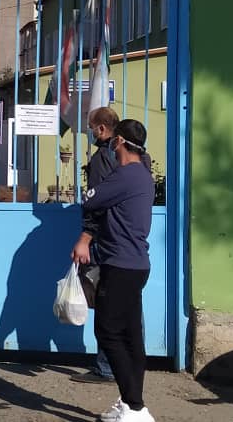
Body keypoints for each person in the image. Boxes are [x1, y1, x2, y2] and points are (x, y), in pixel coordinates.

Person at [78, 119, 156, 422]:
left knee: (107, 331)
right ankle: (131, 404)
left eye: (114, 139)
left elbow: (89, 199)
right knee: (131, 336)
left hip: (120, 264)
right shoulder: (143, 174)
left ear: (119, 141)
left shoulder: (126, 175)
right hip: (134, 264)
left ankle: (135, 406)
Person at [70, 106, 120, 383]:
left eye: (91, 128)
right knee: (128, 304)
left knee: (104, 301)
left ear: (101, 128)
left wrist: (86, 237)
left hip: (105, 238)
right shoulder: (137, 156)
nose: (90, 133)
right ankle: (129, 362)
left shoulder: (102, 158)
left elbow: (95, 201)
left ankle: (106, 366)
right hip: (127, 238)